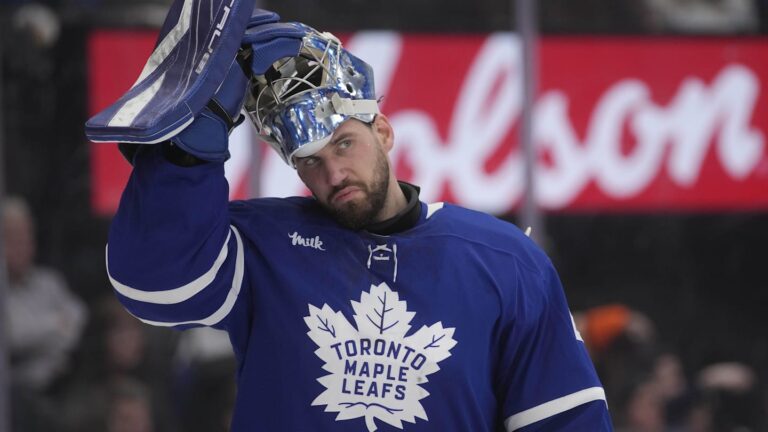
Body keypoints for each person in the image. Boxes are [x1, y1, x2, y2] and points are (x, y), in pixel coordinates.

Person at [93, 5, 613, 431]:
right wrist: (193, 142)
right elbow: (153, 285)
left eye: (344, 143)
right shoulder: (266, 246)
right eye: (310, 162)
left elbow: (567, 420)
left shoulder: (505, 261)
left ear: (383, 132)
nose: (334, 171)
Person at [2, 196, 87, 430]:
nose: (22, 245)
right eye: (13, 238)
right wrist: (55, 325)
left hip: (61, 386)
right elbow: (13, 336)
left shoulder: (48, 282)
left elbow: (78, 317)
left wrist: (37, 333)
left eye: (26, 237)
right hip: (17, 395)